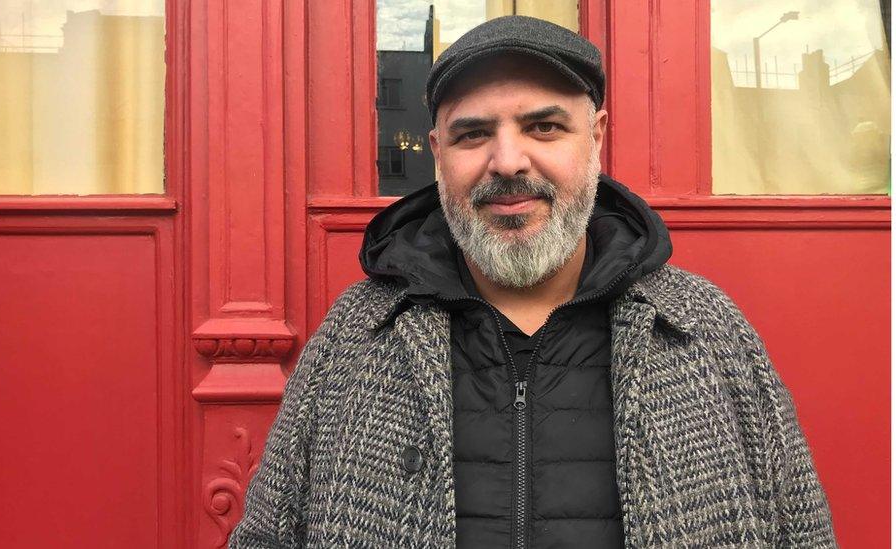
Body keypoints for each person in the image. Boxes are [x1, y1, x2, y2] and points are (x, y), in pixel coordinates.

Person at [228, 15, 837, 549]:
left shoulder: (708, 331)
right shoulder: (354, 337)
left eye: (544, 127)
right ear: (438, 152)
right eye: (474, 134)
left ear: (596, 137)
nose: (509, 161)